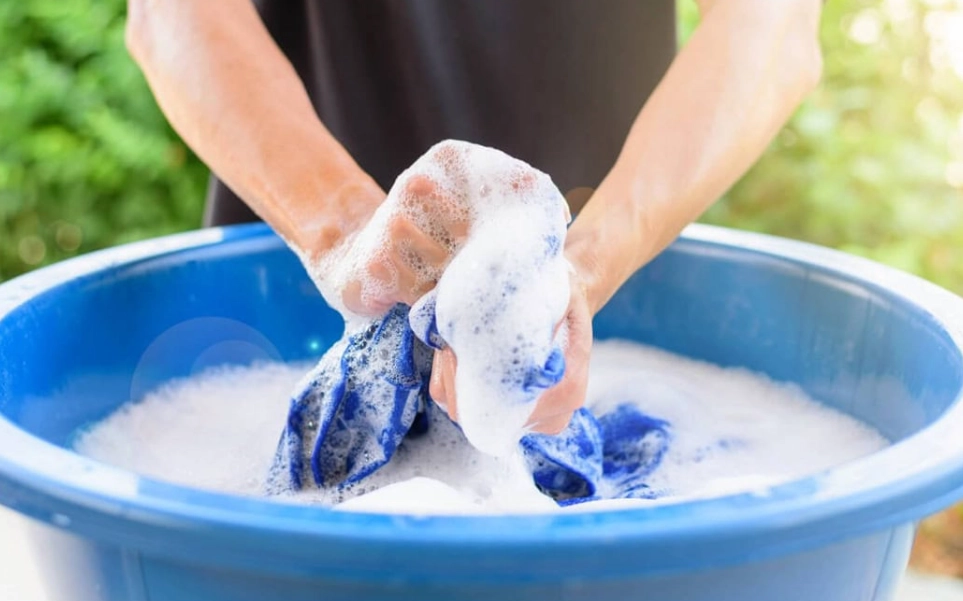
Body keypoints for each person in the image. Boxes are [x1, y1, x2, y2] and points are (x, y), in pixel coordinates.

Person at [125, 0, 823, 435]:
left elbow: (770, 22)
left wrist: (582, 263)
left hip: (597, 320)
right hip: (290, 303)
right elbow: (174, 12)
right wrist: (343, 232)